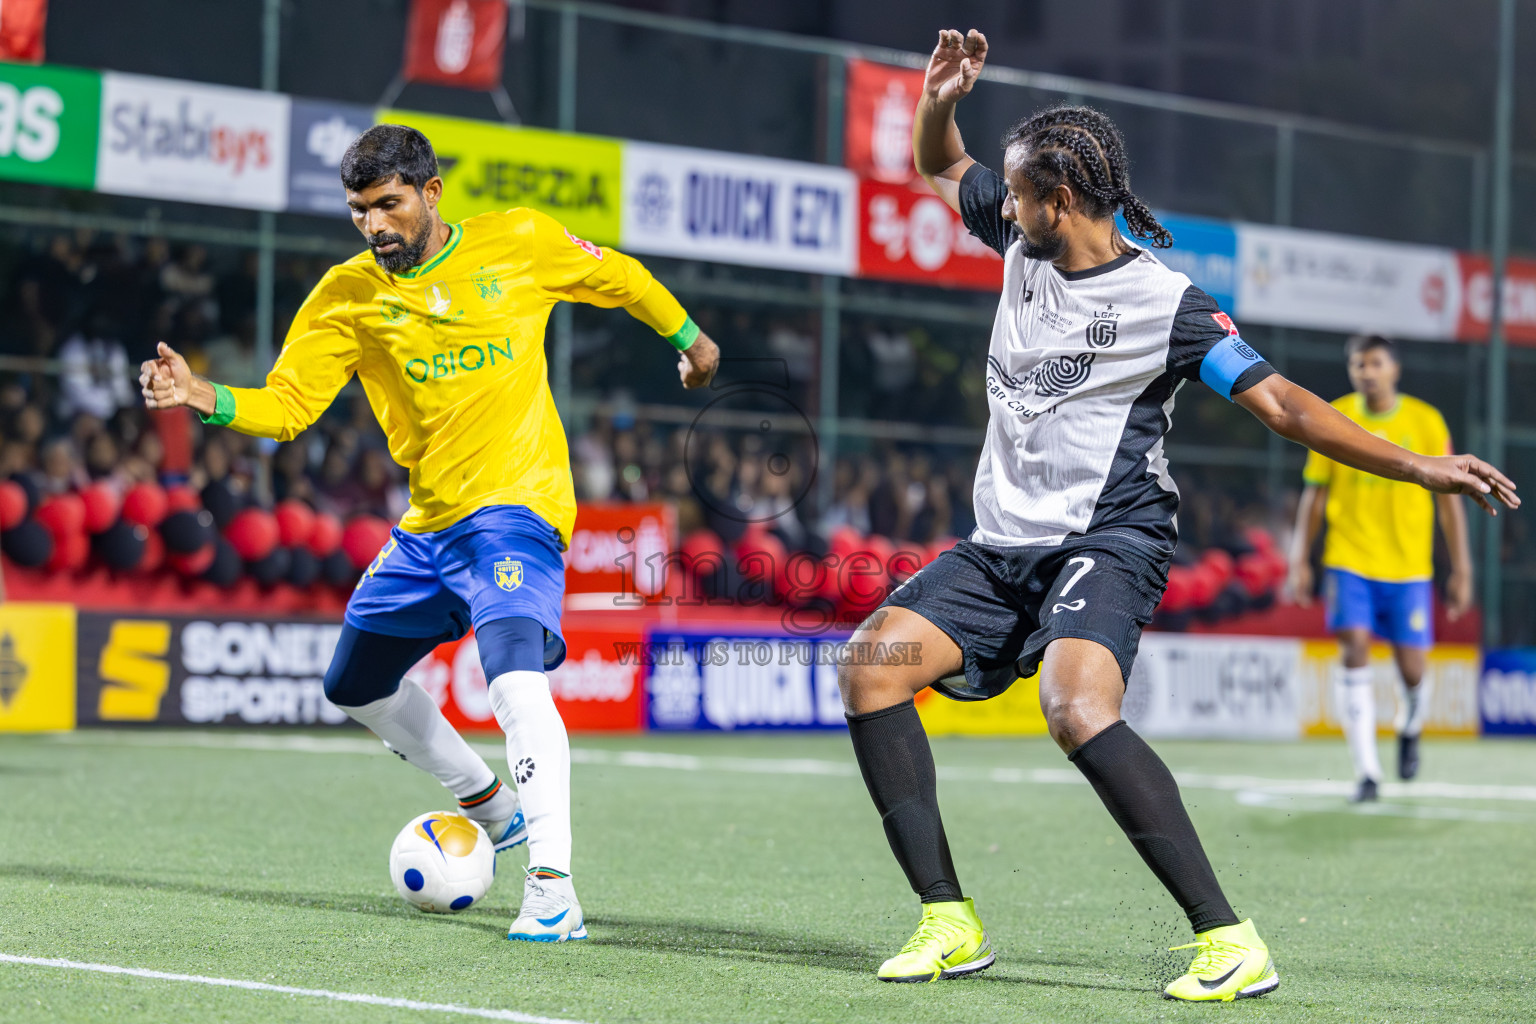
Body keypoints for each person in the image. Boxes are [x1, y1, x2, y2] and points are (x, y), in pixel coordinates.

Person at [838, 28, 1519, 1002]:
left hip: (1111, 538)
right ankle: (948, 918)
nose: (1004, 202)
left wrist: (1421, 465)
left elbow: (1283, 405)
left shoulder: (1169, 304)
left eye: (1021, 193)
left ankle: (1229, 938)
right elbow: (941, 161)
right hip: (1002, 543)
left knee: (1076, 708)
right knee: (872, 669)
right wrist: (940, 96)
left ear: (1059, 203)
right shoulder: (1019, 242)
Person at [140, 124, 720, 943]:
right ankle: (491, 805)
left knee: (513, 683)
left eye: (387, 204)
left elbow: (618, 277)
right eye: (358, 211)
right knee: (353, 684)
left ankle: (553, 887)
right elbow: (290, 406)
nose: (373, 226)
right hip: (429, 529)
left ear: (431, 192)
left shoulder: (518, 241)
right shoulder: (346, 295)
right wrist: (206, 396)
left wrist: (689, 340)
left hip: (517, 511)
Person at [1287, 334, 1472, 801]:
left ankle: (1409, 724)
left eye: (1375, 363)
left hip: (1409, 569)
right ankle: (1367, 773)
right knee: (1354, 647)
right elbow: (1315, 493)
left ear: (1394, 369)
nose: (1366, 372)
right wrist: (1300, 559)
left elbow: (1451, 503)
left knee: (1413, 670)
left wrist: (1461, 567)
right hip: (1348, 560)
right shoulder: (1334, 416)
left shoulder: (1426, 421)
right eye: (1358, 364)